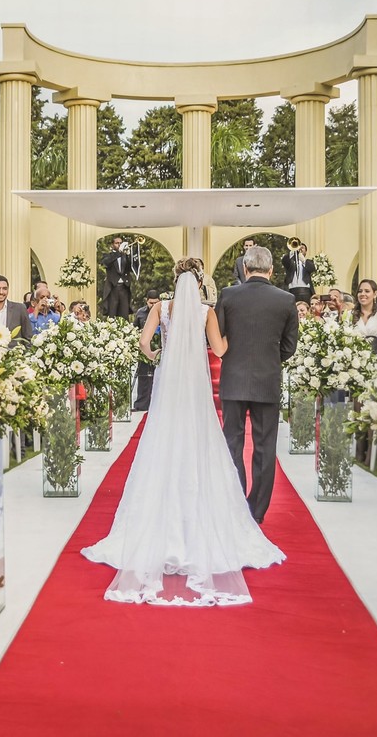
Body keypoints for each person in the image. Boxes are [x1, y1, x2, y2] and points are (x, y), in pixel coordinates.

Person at [81, 258, 284, 605]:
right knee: (199, 442)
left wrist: (157, 354)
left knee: (163, 442)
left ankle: (158, 524)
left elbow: (143, 343)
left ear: (176, 280)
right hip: (194, 386)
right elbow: (220, 349)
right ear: (200, 283)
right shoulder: (206, 312)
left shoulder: (161, 308)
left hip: (169, 385)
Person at [216, 246, 299, 524]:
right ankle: (257, 510)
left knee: (232, 443)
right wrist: (269, 360)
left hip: (233, 380)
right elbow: (289, 347)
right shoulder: (286, 300)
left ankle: (235, 503)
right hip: (267, 380)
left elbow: (218, 337)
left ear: (245, 268)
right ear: (271, 270)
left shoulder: (228, 295)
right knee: (265, 447)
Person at [132, 289, 160, 411]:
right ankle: (142, 404)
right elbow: (135, 329)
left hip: (159, 349)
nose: (153, 305)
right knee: (143, 377)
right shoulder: (140, 313)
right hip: (144, 349)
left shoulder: (163, 311)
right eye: (150, 303)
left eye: (155, 303)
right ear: (146, 301)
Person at [0, 275, 33, 346]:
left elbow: (28, 339)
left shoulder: (20, 309)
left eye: (4, 289)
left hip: (14, 352)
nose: (1, 292)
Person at [351, 279, 377, 356]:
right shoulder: (350, 314)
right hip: (355, 359)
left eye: (367, 291)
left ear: (375, 294)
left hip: (376, 359)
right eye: (360, 291)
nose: (362, 294)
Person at [100, 236, 133, 318]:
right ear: (112, 245)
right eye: (117, 243)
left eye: (121, 243)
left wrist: (128, 256)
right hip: (113, 288)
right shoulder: (108, 255)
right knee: (112, 313)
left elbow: (131, 268)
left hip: (124, 287)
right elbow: (106, 263)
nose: (119, 245)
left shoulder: (125, 256)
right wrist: (119, 253)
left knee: (124, 314)